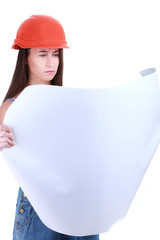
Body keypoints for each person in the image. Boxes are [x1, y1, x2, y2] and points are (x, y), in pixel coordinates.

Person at [0, 15, 100, 240]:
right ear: (25, 58)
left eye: (55, 53)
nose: (51, 62)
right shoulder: (12, 107)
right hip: (38, 204)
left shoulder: (67, 100)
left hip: (80, 198)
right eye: (42, 54)